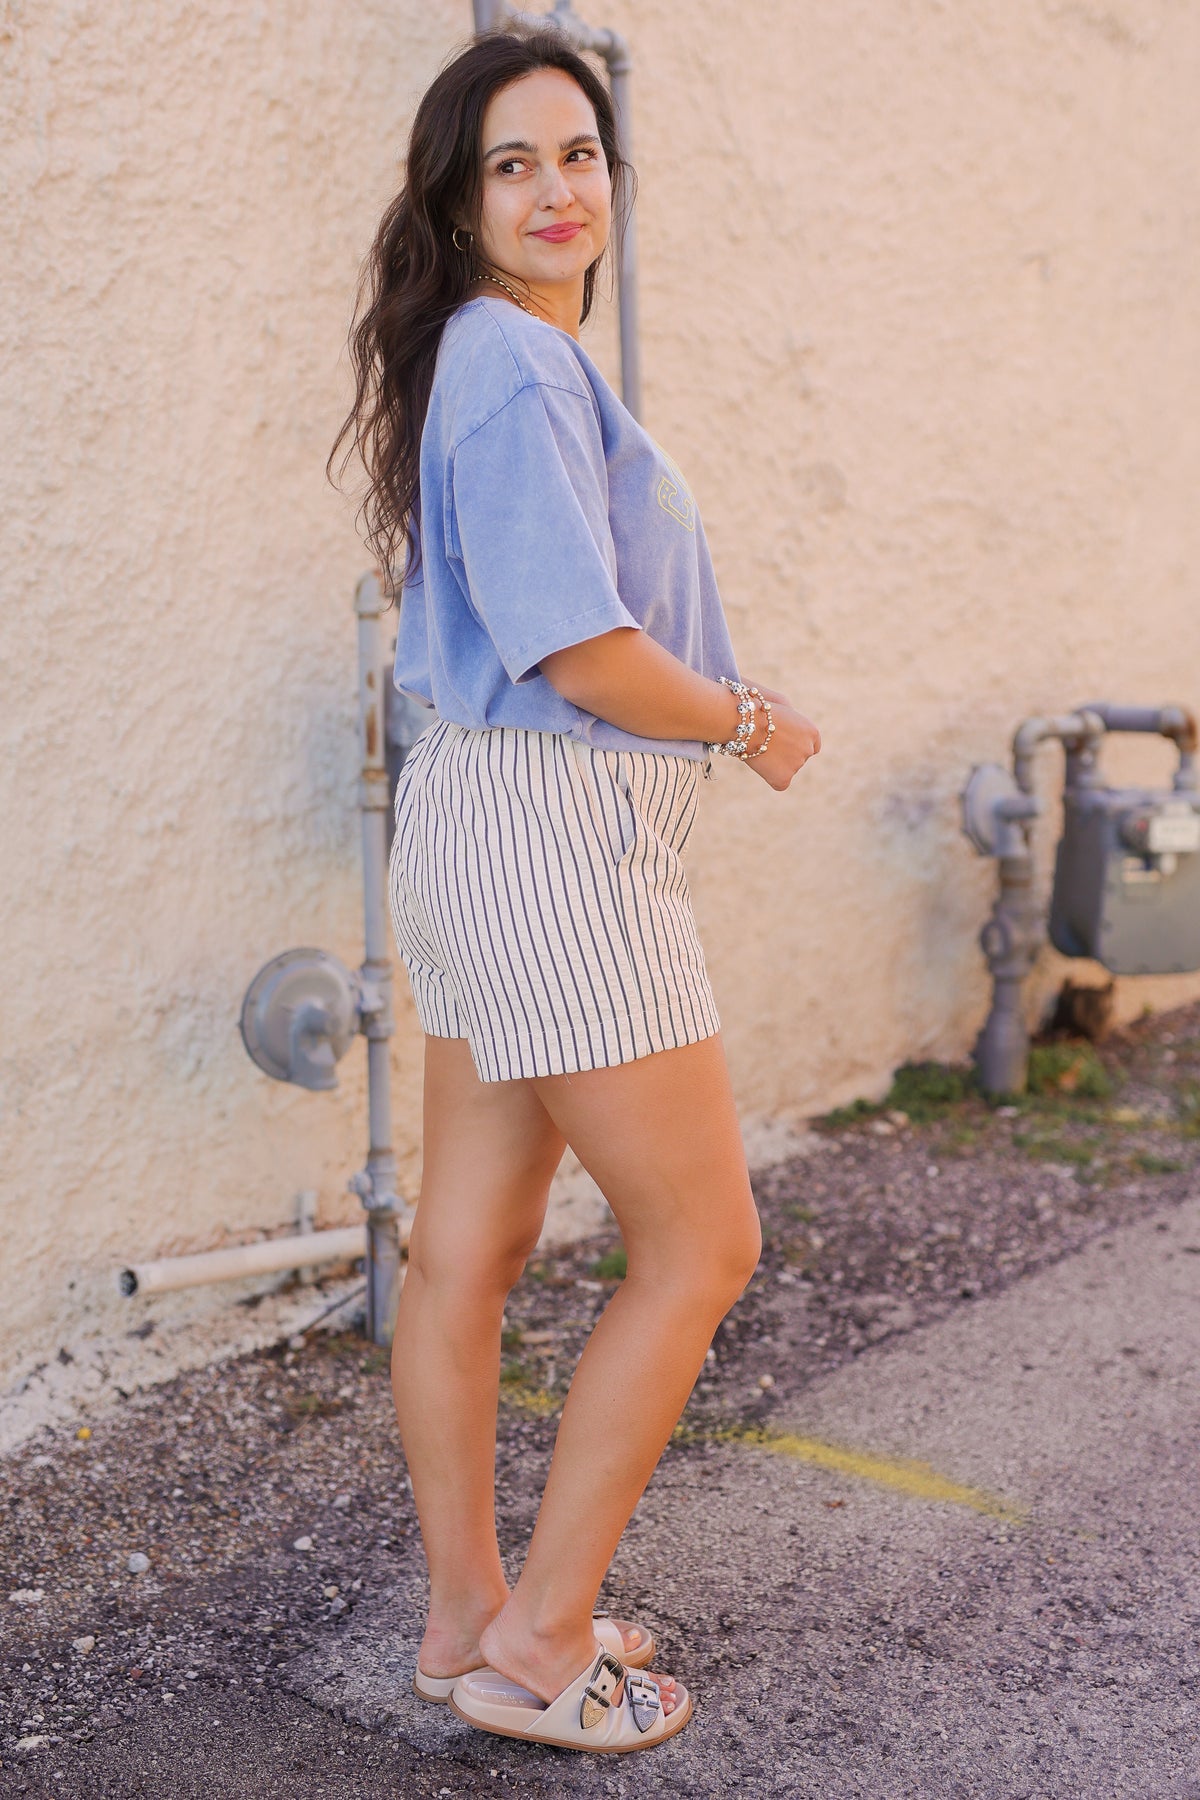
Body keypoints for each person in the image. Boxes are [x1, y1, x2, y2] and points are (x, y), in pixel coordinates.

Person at [331, 28, 820, 1756]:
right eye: (513, 163)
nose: (557, 189)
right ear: (460, 200)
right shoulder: (521, 366)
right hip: (553, 835)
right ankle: (541, 1647)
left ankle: (467, 1616)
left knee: (469, 1245)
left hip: (477, 822)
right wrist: (749, 721)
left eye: (581, 155)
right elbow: (583, 649)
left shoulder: (486, 357)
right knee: (703, 1241)